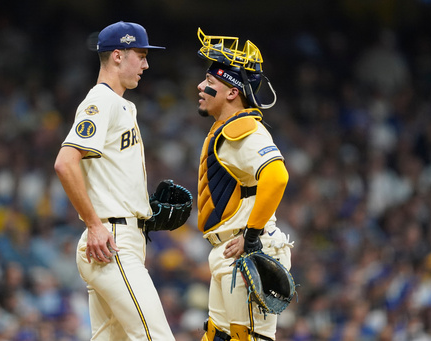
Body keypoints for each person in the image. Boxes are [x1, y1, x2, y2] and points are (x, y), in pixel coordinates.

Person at [54, 21, 175, 341]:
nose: (146, 64)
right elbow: (65, 163)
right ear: (118, 55)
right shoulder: (101, 100)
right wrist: (94, 224)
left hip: (123, 235)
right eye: (141, 54)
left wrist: (143, 209)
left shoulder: (122, 104)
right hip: (111, 239)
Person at [195, 28, 294, 341]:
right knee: (218, 336)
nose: (201, 86)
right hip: (229, 251)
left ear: (232, 92)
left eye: (210, 83)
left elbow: (277, 176)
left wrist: (252, 236)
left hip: (247, 249)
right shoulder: (225, 129)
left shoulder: (244, 128)